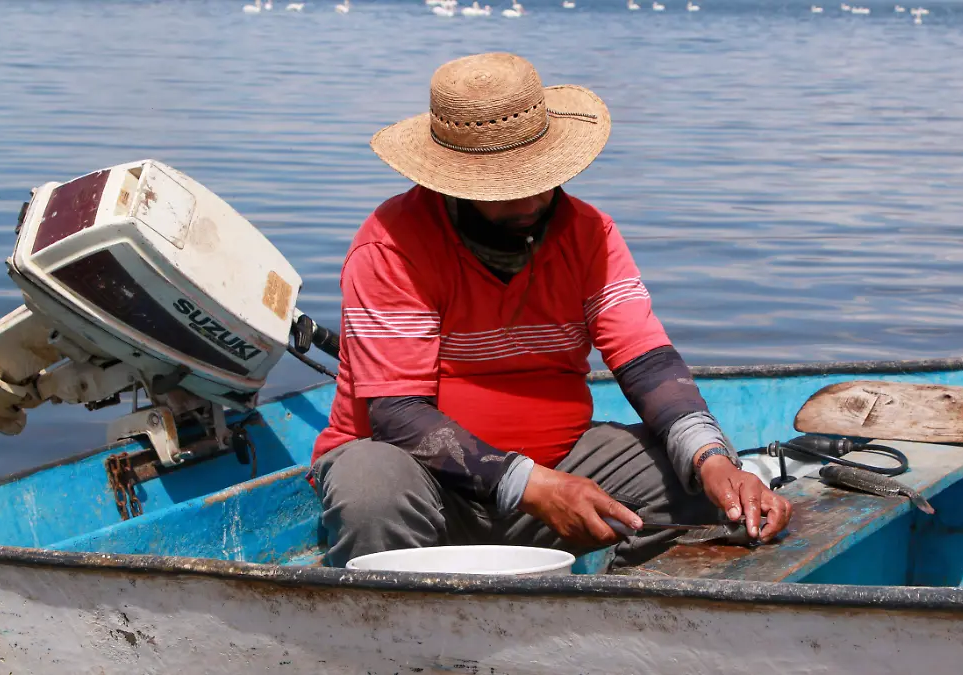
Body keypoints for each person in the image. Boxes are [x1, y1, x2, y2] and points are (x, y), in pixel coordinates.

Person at [311, 52, 792, 568]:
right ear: (450, 182)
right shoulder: (390, 247)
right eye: (498, 191)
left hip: (560, 465)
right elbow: (397, 415)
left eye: (534, 181)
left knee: (699, 494)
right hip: (424, 480)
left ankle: (612, 627)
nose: (526, 203)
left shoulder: (590, 234)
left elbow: (648, 363)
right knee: (370, 494)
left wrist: (713, 459)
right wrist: (529, 485)